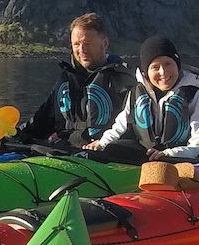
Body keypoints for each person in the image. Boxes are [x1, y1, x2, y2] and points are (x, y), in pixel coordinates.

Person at [88, 36, 199, 185]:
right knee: (111, 149)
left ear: (177, 65)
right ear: (146, 72)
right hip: (148, 159)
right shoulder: (136, 93)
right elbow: (119, 127)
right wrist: (101, 144)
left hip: (178, 161)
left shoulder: (195, 95)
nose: (163, 72)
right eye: (155, 67)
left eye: (168, 64)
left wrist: (170, 153)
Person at [15, 12, 130, 148]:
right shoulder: (66, 79)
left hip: (99, 153)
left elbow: (130, 129)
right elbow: (42, 119)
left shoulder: (123, 81)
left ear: (104, 43)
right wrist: (16, 135)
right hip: (60, 150)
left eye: (87, 44)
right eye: (76, 44)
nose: (81, 50)